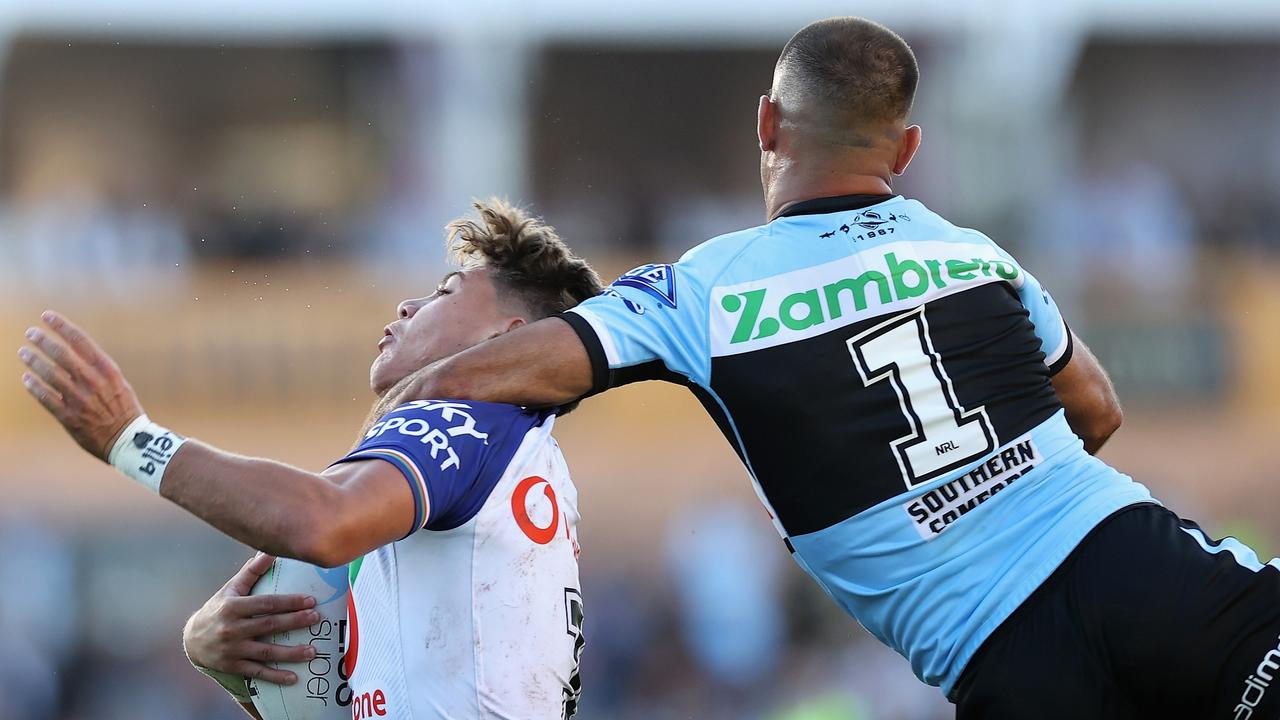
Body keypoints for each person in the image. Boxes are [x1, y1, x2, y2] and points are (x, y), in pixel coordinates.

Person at [369, 18, 1280, 720]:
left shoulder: (702, 291)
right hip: (1136, 562)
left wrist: (402, 402)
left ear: (767, 121)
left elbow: (510, 369)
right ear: (908, 150)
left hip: (1001, 653)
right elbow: (1098, 409)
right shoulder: (972, 253)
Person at [18, 200, 599, 719]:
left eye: (445, 292)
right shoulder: (524, 458)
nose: (408, 303)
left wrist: (132, 442)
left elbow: (322, 523)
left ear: (507, 335)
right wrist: (230, 664)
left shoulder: (463, 420)